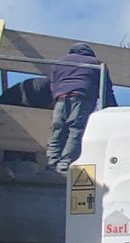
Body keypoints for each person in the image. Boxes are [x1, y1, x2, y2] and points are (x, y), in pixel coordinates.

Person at [46, 43, 116, 171]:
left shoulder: (60, 61)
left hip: (61, 98)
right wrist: (111, 108)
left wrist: (56, 97)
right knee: (76, 129)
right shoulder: (96, 63)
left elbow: (53, 82)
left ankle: (52, 162)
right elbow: (106, 89)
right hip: (81, 98)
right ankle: (65, 164)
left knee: (58, 129)